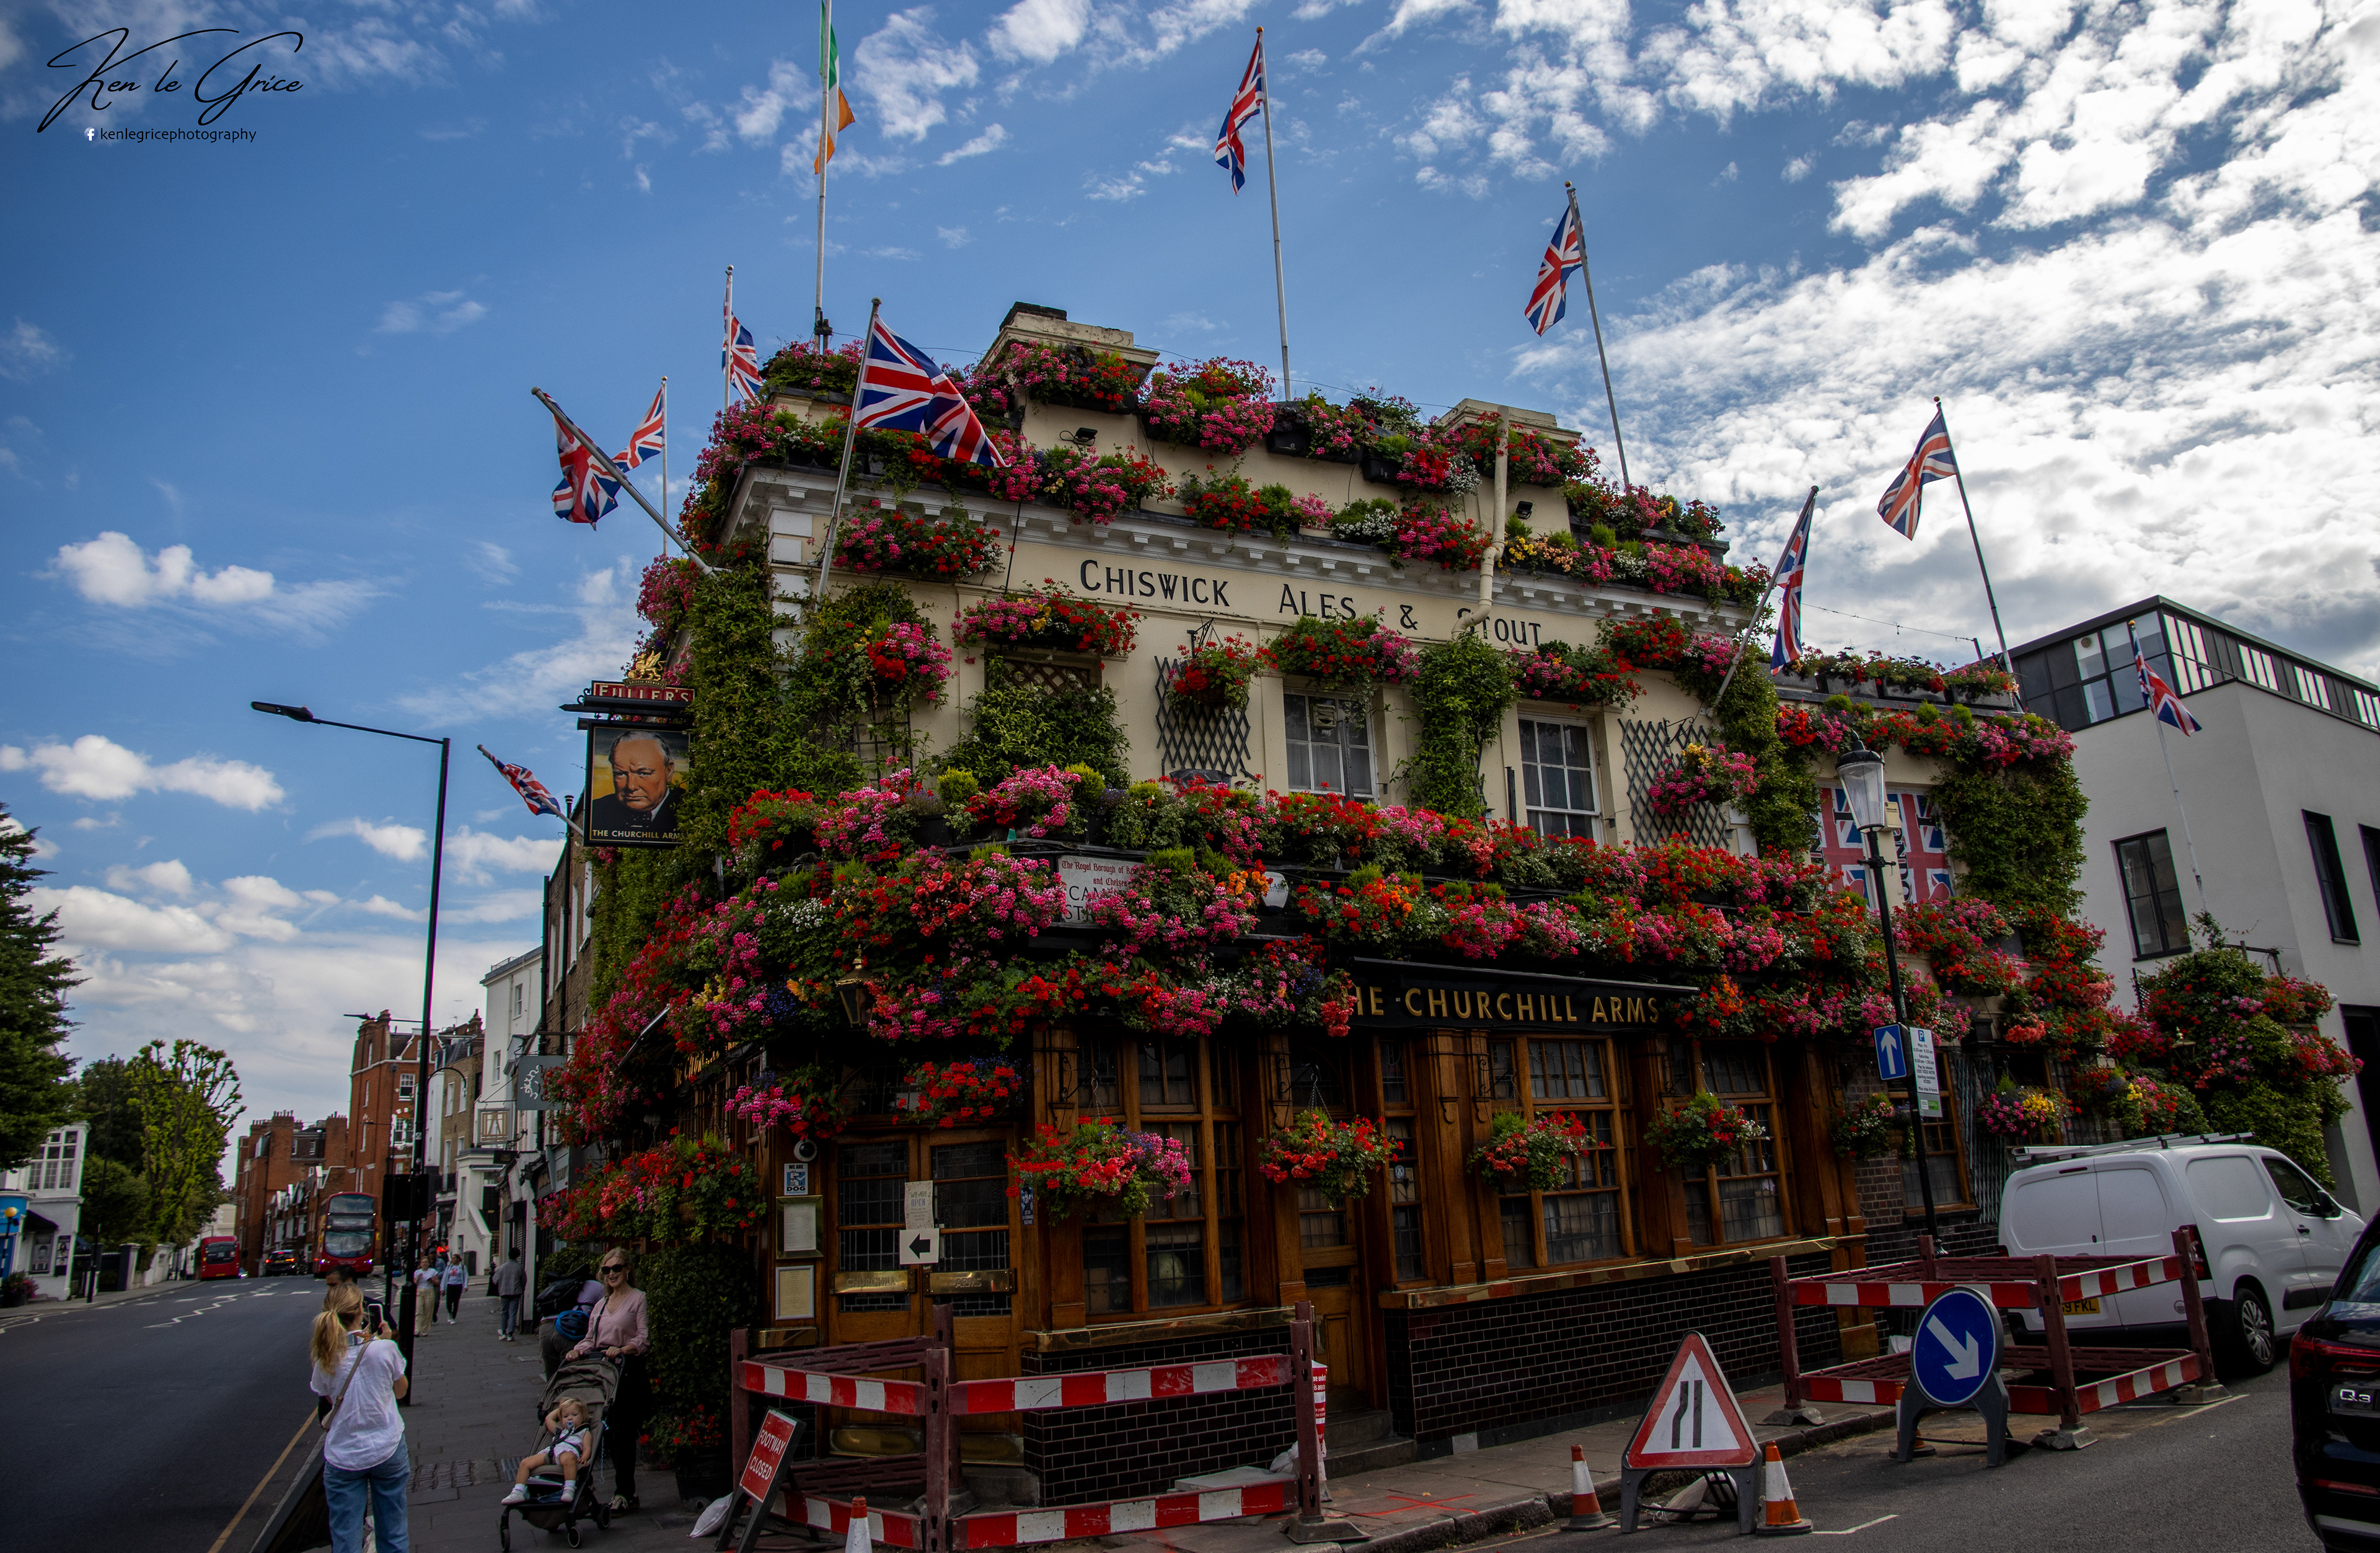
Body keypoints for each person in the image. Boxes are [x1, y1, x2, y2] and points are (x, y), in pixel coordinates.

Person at [310, 1282, 410, 1553]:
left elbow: (331, 1399)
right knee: (393, 1535)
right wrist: (385, 1341)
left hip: (344, 1456)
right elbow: (401, 1392)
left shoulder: (326, 1358)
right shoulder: (384, 1349)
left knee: (345, 1540)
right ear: (360, 1311)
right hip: (387, 1449)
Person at [568, 1248, 650, 1511]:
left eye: (617, 1269)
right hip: (602, 1374)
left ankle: (625, 1493)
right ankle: (583, 1487)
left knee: (621, 1435)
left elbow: (643, 1339)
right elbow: (591, 1338)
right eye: (606, 1270)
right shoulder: (601, 1305)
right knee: (590, 1430)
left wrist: (624, 1348)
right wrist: (577, 1350)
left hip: (626, 1372)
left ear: (628, 1269)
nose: (612, 1274)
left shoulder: (638, 1299)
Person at [501, 1397, 592, 1506]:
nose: (570, 1419)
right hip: (551, 1452)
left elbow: (587, 1448)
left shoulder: (584, 1432)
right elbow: (549, 1419)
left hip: (568, 1453)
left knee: (569, 1459)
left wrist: (584, 1457)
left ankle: (569, 1489)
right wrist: (561, 1408)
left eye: (574, 1415)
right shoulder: (560, 1431)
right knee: (525, 1463)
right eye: (566, 1416)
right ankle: (518, 1491)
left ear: (583, 1416)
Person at [586, 733, 679, 838]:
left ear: (669, 771)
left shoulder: (689, 806)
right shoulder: (597, 811)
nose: (631, 786)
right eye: (620, 774)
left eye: (643, 773)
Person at [492, 1247, 527, 1342]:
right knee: (513, 1313)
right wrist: (522, 1288)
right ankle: (510, 1334)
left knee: (504, 1312)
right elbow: (524, 1280)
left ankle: (503, 1332)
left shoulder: (502, 1267)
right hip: (516, 1292)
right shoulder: (519, 1267)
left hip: (504, 1292)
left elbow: (495, 1280)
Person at [413, 1259, 440, 1329]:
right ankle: (417, 1329)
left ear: (428, 1264)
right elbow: (415, 1284)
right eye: (423, 1262)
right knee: (419, 1310)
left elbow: (437, 1282)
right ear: (421, 1264)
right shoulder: (417, 1272)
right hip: (419, 1291)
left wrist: (432, 1281)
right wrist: (418, 1278)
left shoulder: (433, 1271)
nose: (424, 1264)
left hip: (429, 1290)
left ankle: (424, 1329)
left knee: (427, 1311)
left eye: (426, 1262)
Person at [442, 1255, 467, 1322]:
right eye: (452, 1258)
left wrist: (466, 1286)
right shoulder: (449, 1267)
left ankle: (453, 1317)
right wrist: (443, 1288)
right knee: (449, 1302)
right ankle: (450, 1313)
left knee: (456, 1302)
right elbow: (445, 1277)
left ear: (458, 1259)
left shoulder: (462, 1267)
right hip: (450, 1285)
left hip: (458, 1285)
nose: (452, 1260)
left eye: (454, 1258)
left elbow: (466, 1276)